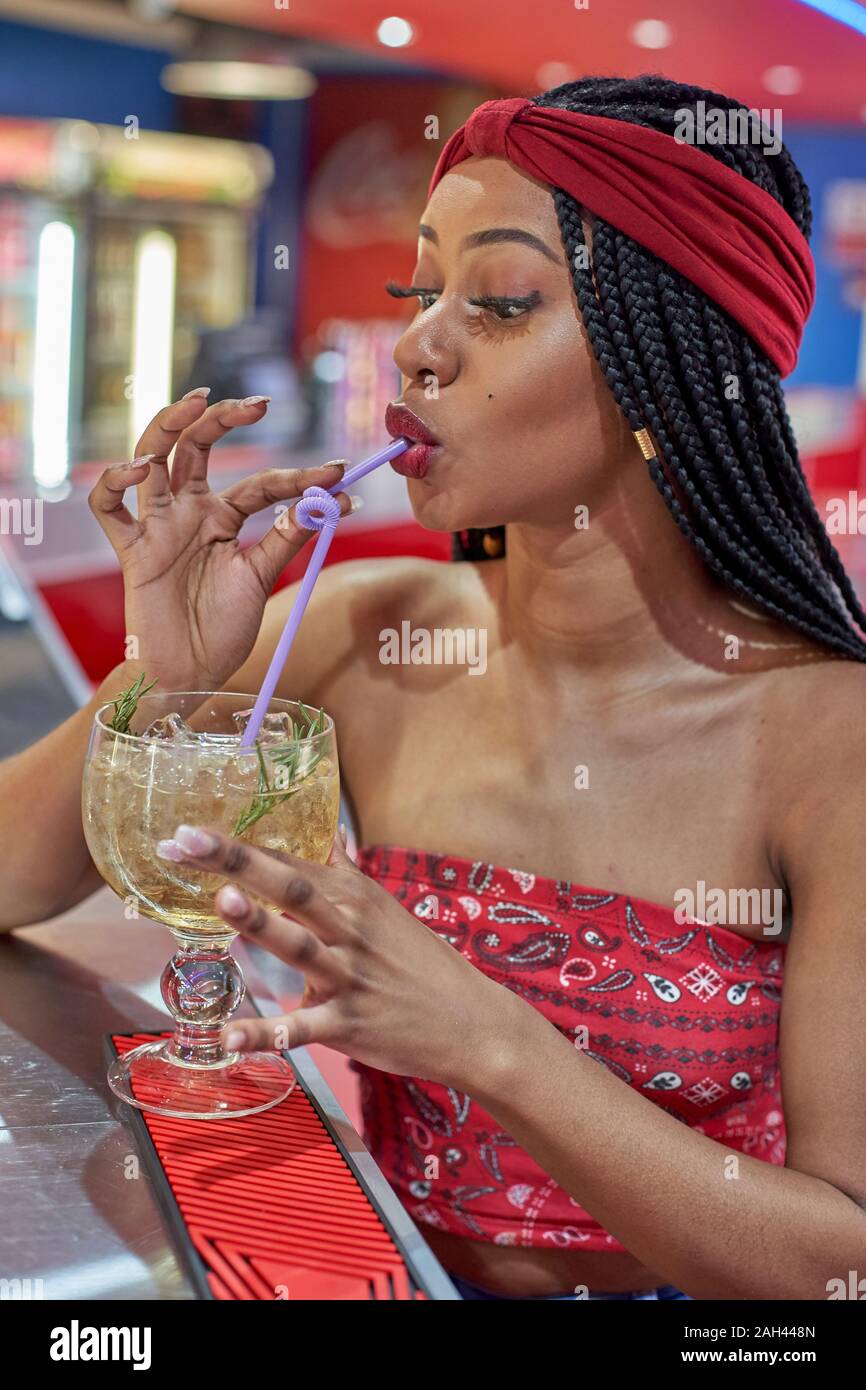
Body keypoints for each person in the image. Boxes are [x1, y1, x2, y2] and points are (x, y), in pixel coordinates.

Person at [4, 75, 866, 1300]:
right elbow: (9, 876)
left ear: (672, 365)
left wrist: (490, 1041)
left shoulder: (832, 739)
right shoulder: (364, 631)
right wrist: (167, 678)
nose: (413, 343)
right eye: (421, 291)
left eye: (500, 302)